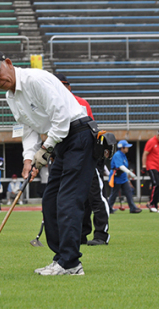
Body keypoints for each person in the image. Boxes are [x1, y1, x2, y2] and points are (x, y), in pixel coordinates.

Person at [0, 49, 96, 276]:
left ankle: (71, 263)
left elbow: (61, 120)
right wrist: (28, 159)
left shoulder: (36, 80)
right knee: (50, 202)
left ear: (9, 63)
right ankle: (62, 258)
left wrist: (44, 150)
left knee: (68, 201)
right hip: (61, 142)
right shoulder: (10, 97)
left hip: (78, 135)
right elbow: (28, 128)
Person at [54, 73, 111, 246]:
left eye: (64, 85)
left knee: (95, 196)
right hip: (66, 155)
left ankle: (101, 234)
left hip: (87, 154)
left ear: (69, 87)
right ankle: (80, 235)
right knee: (78, 197)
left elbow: (88, 130)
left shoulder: (80, 103)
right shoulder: (52, 104)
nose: (61, 89)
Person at [108, 140, 143, 214]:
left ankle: (133, 208)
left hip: (123, 178)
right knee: (114, 194)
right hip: (116, 178)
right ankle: (108, 208)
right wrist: (130, 172)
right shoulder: (118, 155)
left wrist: (128, 176)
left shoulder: (123, 155)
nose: (128, 148)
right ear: (122, 148)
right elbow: (120, 166)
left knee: (128, 191)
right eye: (126, 147)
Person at [141, 129, 159, 213]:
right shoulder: (151, 142)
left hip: (158, 168)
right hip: (151, 166)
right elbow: (145, 154)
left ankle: (155, 206)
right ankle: (151, 203)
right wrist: (143, 166)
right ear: (158, 135)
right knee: (156, 184)